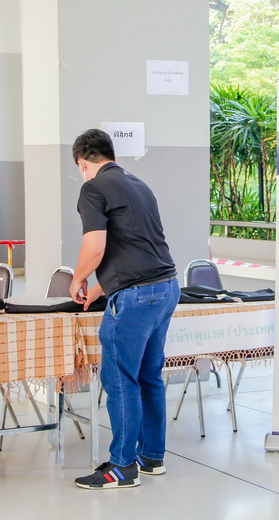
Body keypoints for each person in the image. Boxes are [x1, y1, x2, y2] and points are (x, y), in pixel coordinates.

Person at [69, 129, 180, 490]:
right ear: (112, 155)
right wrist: (99, 288)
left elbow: (95, 246)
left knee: (120, 378)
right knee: (148, 376)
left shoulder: (93, 188)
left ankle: (121, 467)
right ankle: (151, 457)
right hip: (166, 288)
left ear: (82, 163)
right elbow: (135, 246)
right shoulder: (139, 185)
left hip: (137, 297)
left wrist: (78, 279)